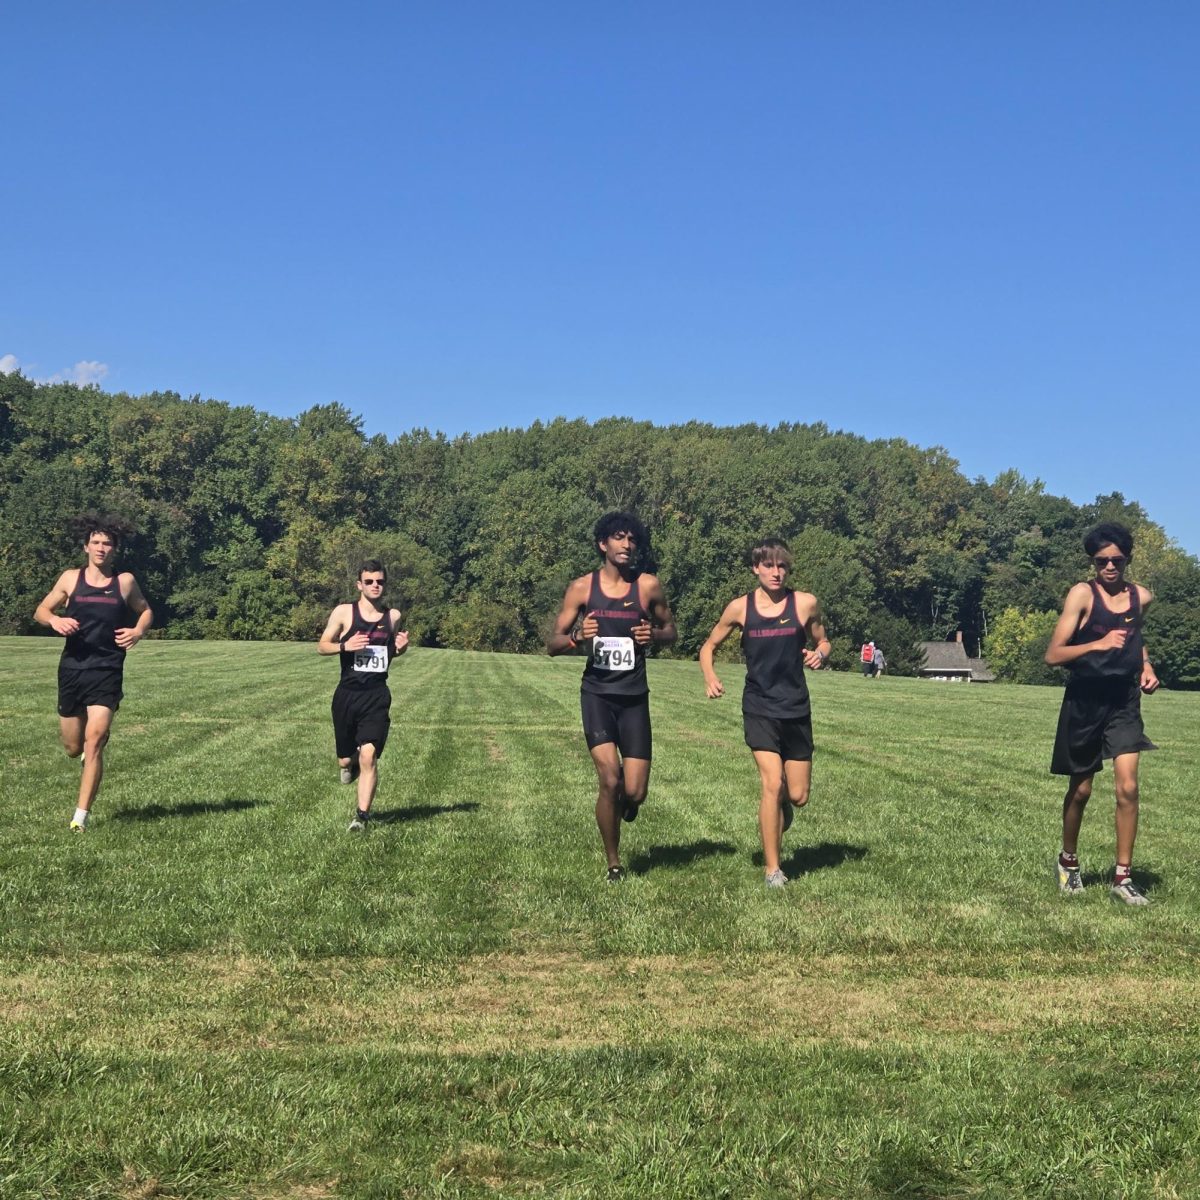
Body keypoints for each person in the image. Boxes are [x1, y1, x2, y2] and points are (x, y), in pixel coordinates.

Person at [548, 512, 677, 882]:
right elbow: (552, 644)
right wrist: (575, 638)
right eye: (619, 538)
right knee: (609, 780)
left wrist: (654, 634)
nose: (627, 545)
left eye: (631, 539)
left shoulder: (648, 586)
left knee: (634, 792)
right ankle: (614, 863)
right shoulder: (582, 589)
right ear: (603, 544)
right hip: (598, 696)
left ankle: (627, 803)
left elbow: (672, 631)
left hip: (634, 697)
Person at [700, 537, 831, 887]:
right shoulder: (740, 609)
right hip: (759, 706)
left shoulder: (804, 604)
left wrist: (821, 654)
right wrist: (710, 676)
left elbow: (823, 640)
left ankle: (782, 810)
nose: (777, 572)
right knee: (771, 783)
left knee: (798, 796)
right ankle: (773, 870)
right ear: (756, 568)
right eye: (769, 566)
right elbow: (708, 646)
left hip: (796, 708)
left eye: (782, 566)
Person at [1045, 522, 1159, 905]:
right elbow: (1054, 654)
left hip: (1124, 700)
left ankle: (1122, 878)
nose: (1109, 567)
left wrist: (1146, 665)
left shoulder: (1140, 597)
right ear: (1093, 562)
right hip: (1086, 699)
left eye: (1116, 560)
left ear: (1127, 559)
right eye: (1101, 561)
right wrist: (1099, 643)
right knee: (1081, 790)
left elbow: (1135, 637)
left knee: (1128, 787)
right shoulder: (1082, 595)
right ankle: (1068, 862)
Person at [34, 516, 153, 830]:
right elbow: (41, 611)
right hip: (72, 668)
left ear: (114, 549)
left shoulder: (124, 582)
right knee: (74, 748)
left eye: (107, 544)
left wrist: (138, 631)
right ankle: (86, 748)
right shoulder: (70, 579)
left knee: (94, 741)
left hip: (107, 669)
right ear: (86, 546)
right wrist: (55, 621)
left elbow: (146, 610)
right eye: (96, 543)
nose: (101, 548)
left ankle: (79, 819)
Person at [318, 560, 409, 831]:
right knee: (347, 759)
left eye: (379, 581)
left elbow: (389, 651)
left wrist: (401, 648)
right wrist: (345, 645)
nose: (375, 586)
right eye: (369, 581)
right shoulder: (344, 612)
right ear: (359, 584)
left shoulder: (392, 616)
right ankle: (349, 763)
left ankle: (361, 817)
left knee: (369, 755)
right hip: (347, 695)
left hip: (377, 696)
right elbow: (322, 646)